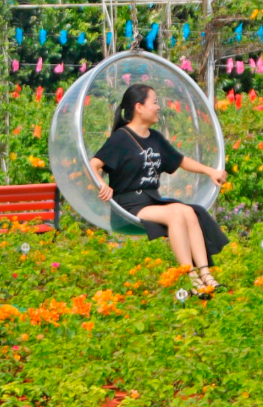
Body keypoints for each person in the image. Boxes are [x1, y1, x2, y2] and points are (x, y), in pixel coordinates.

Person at [89, 84, 230, 297]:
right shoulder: (121, 138)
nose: (158, 107)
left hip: (151, 200)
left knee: (189, 212)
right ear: (139, 107)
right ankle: (191, 277)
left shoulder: (155, 137)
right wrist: (103, 184)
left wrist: (210, 171)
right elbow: (93, 165)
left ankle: (206, 274)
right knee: (176, 214)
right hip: (128, 205)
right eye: (154, 102)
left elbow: (180, 160)